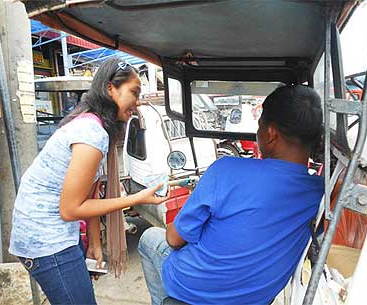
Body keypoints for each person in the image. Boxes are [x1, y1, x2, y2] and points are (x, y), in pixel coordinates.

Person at [138, 84, 325, 305]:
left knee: (149, 238)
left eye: (259, 126)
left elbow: (175, 239)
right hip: (256, 298)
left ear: (271, 133)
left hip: (193, 288)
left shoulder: (226, 170)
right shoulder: (319, 192)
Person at [9, 58, 169, 305]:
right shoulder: (91, 132)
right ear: (109, 89)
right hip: (46, 241)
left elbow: (89, 193)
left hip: (54, 234)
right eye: (134, 92)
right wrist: (137, 198)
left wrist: (95, 243)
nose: (137, 103)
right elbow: (72, 208)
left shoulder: (93, 125)